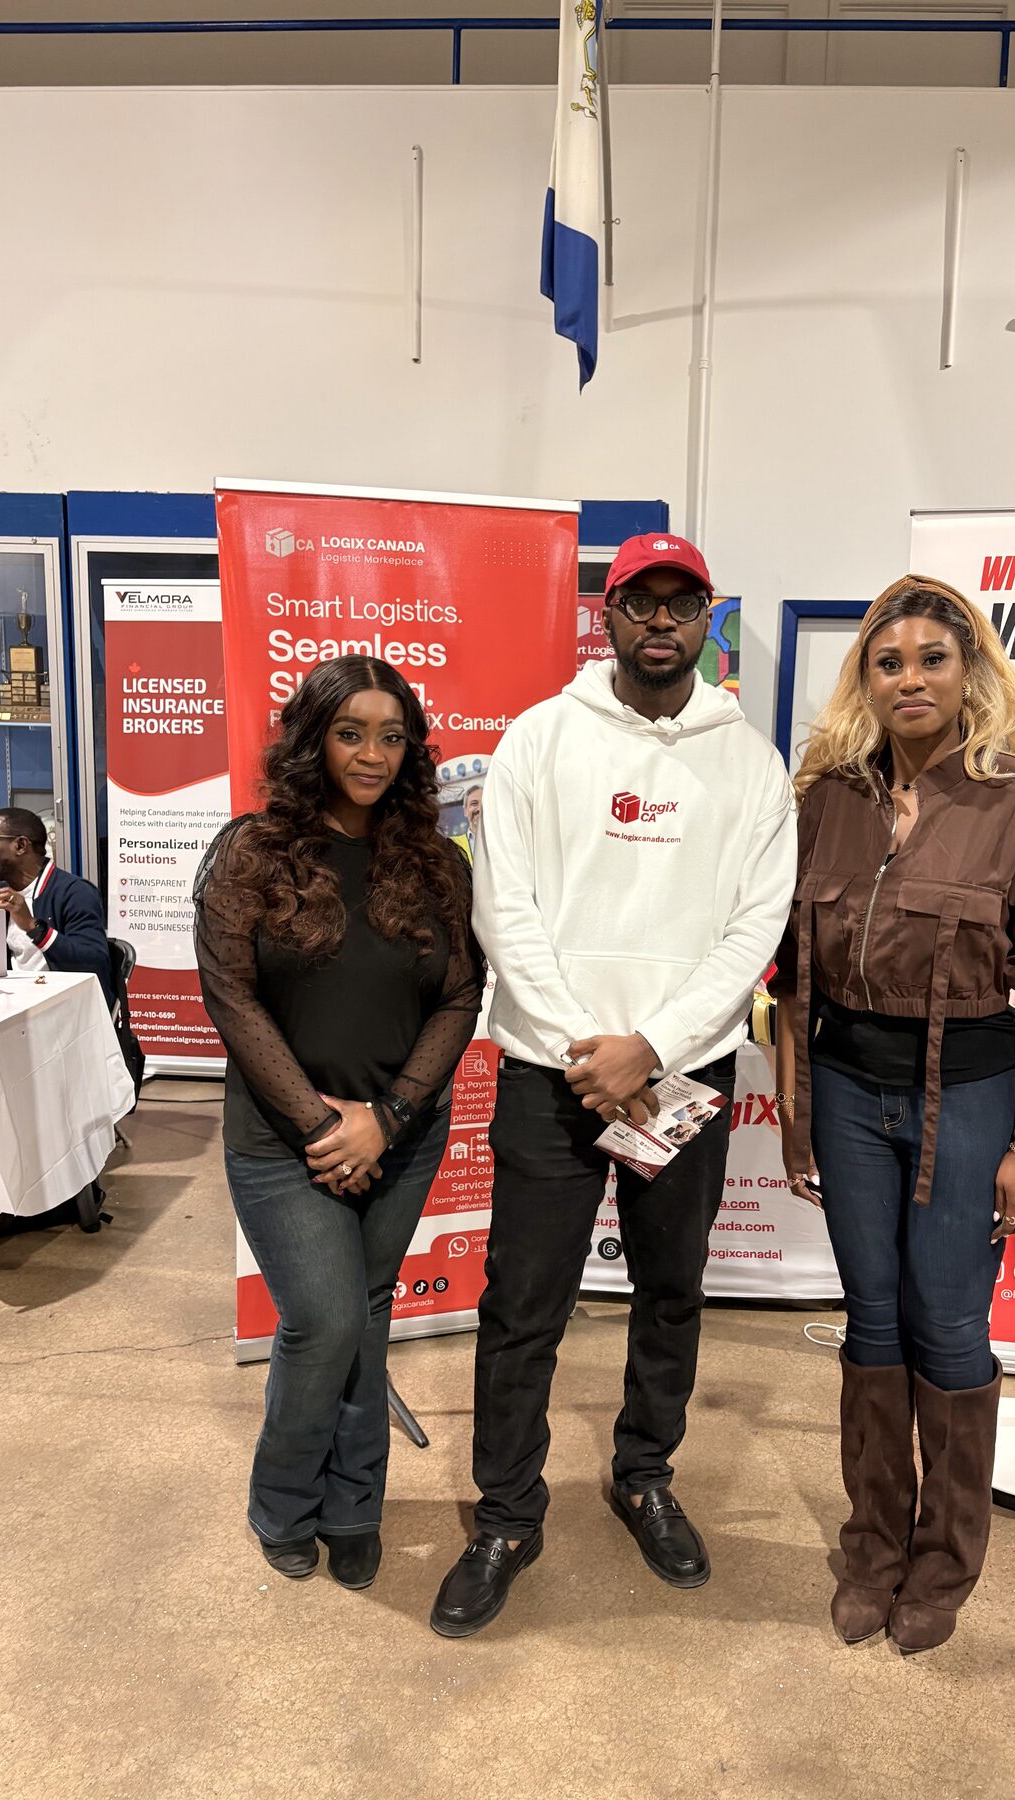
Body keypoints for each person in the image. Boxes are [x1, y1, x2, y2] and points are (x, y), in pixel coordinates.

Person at [430, 531, 796, 1639]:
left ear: (708, 618)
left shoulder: (752, 763)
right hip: (554, 1075)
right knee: (523, 1302)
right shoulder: (539, 739)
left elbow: (755, 928)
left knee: (670, 1289)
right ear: (610, 615)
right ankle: (507, 1514)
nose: (661, 622)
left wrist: (656, 1044)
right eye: (642, 602)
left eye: (682, 604)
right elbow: (504, 907)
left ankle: (645, 1476)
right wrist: (589, 1049)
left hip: (680, 1076)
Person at [773, 575, 1015, 1654]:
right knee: (872, 1320)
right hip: (846, 1088)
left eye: (931, 660)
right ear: (864, 680)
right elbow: (787, 968)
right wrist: (794, 1106)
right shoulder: (828, 797)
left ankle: (946, 1560)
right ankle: (873, 1545)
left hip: (969, 1093)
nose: (909, 678)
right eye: (888, 662)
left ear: (970, 674)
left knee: (951, 1323)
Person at [194, 656, 482, 1591]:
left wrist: (388, 1119)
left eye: (391, 736)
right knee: (322, 1320)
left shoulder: (436, 862)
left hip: (404, 1133)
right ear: (313, 739)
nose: (371, 754)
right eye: (351, 733)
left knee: (366, 1311)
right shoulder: (251, 852)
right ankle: (283, 1501)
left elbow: (459, 996)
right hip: (283, 1138)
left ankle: (355, 1503)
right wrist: (326, 1126)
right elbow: (231, 997)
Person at [0, 806, 114, 1011]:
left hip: (64, 1011)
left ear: (21, 845)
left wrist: (33, 927)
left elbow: (93, 964)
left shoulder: (75, 893)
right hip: (13, 1007)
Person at [449, 782, 484, 867]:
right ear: (465, 811)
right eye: (474, 803)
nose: (479, 808)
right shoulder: (454, 845)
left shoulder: (503, 839)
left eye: (484, 803)